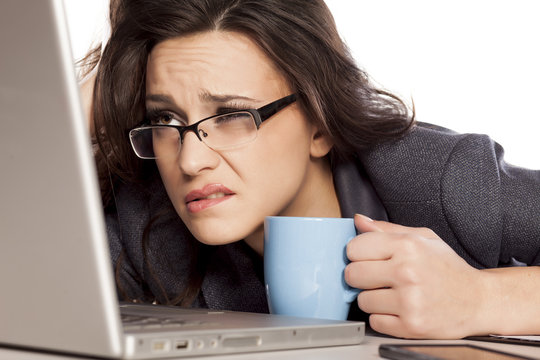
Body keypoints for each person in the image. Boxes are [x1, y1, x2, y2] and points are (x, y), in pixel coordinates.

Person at [86, 0, 540, 339]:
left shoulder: (439, 178)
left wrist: (482, 299)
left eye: (230, 115)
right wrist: (80, 105)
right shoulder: (145, 223)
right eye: (165, 120)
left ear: (319, 124)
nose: (189, 160)